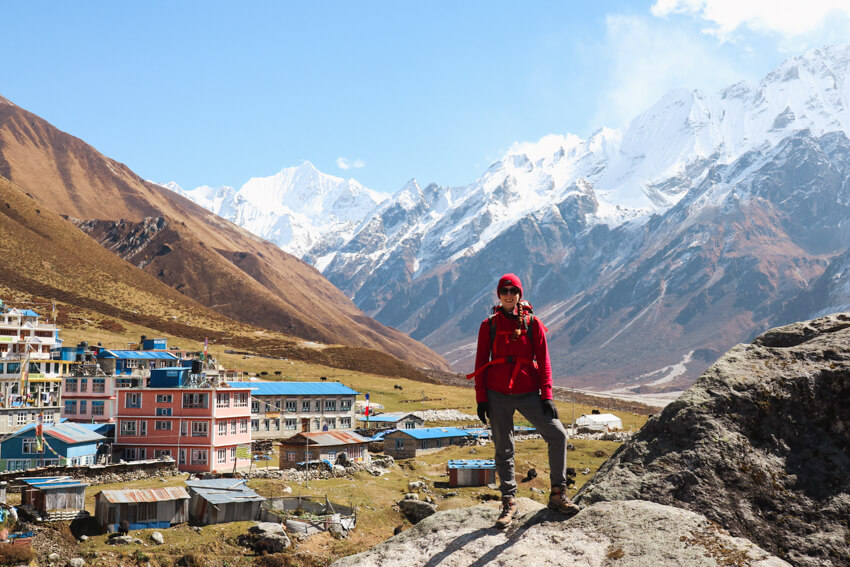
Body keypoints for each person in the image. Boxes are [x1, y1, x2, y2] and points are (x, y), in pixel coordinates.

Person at [467, 273, 579, 528]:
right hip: (497, 394)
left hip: (529, 393)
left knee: (558, 434)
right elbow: (481, 362)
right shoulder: (489, 325)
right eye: (504, 291)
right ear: (499, 294)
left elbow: (545, 361)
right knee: (504, 448)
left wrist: (547, 395)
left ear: (519, 294)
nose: (508, 295)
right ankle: (509, 502)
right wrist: (481, 398)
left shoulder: (533, 324)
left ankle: (558, 494)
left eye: (513, 291)